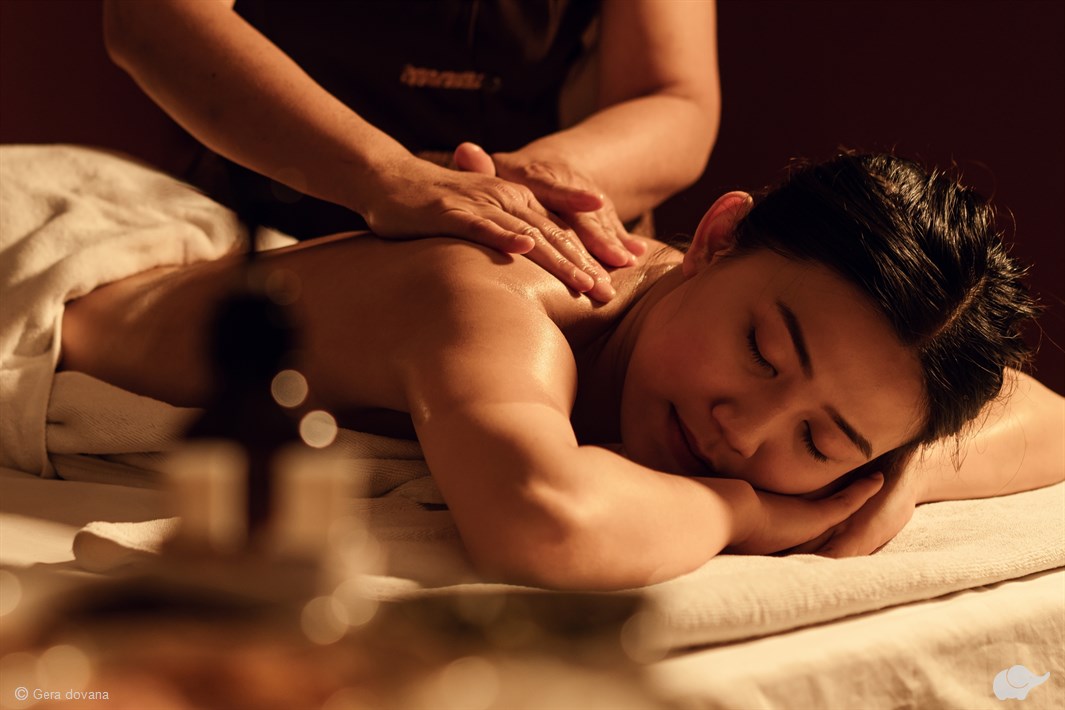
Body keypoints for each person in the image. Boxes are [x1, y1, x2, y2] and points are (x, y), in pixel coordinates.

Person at [58, 152, 1065, 590]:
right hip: (52, 298)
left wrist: (905, 470)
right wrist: (741, 511)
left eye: (822, 438)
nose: (745, 431)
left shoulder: (855, 398)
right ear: (716, 237)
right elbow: (543, 521)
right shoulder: (496, 301)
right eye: (763, 352)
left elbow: (1048, 416)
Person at [101, 0, 722, 302]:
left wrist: (544, 177)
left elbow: (674, 95)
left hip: (515, 225)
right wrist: (387, 176)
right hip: (266, 221)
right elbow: (151, 16)